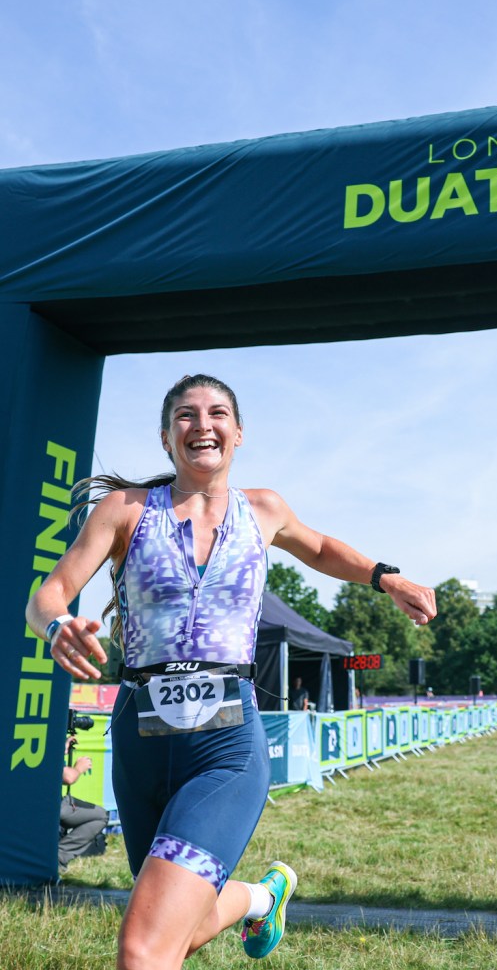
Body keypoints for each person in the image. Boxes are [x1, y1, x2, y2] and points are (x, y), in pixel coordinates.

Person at [27, 373, 436, 970]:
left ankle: (256, 898)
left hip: (226, 746)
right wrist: (61, 626)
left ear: (237, 433)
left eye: (217, 413)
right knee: (178, 931)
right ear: (167, 438)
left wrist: (386, 576)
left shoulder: (263, 509)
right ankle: (260, 897)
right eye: (185, 416)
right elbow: (48, 596)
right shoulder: (125, 510)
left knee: (144, 948)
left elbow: (320, 548)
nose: (202, 425)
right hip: (141, 738)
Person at [59, 737, 109, 877]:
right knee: (101, 815)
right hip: (53, 807)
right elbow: (68, 777)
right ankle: (59, 856)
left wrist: (63, 747)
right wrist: (79, 768)